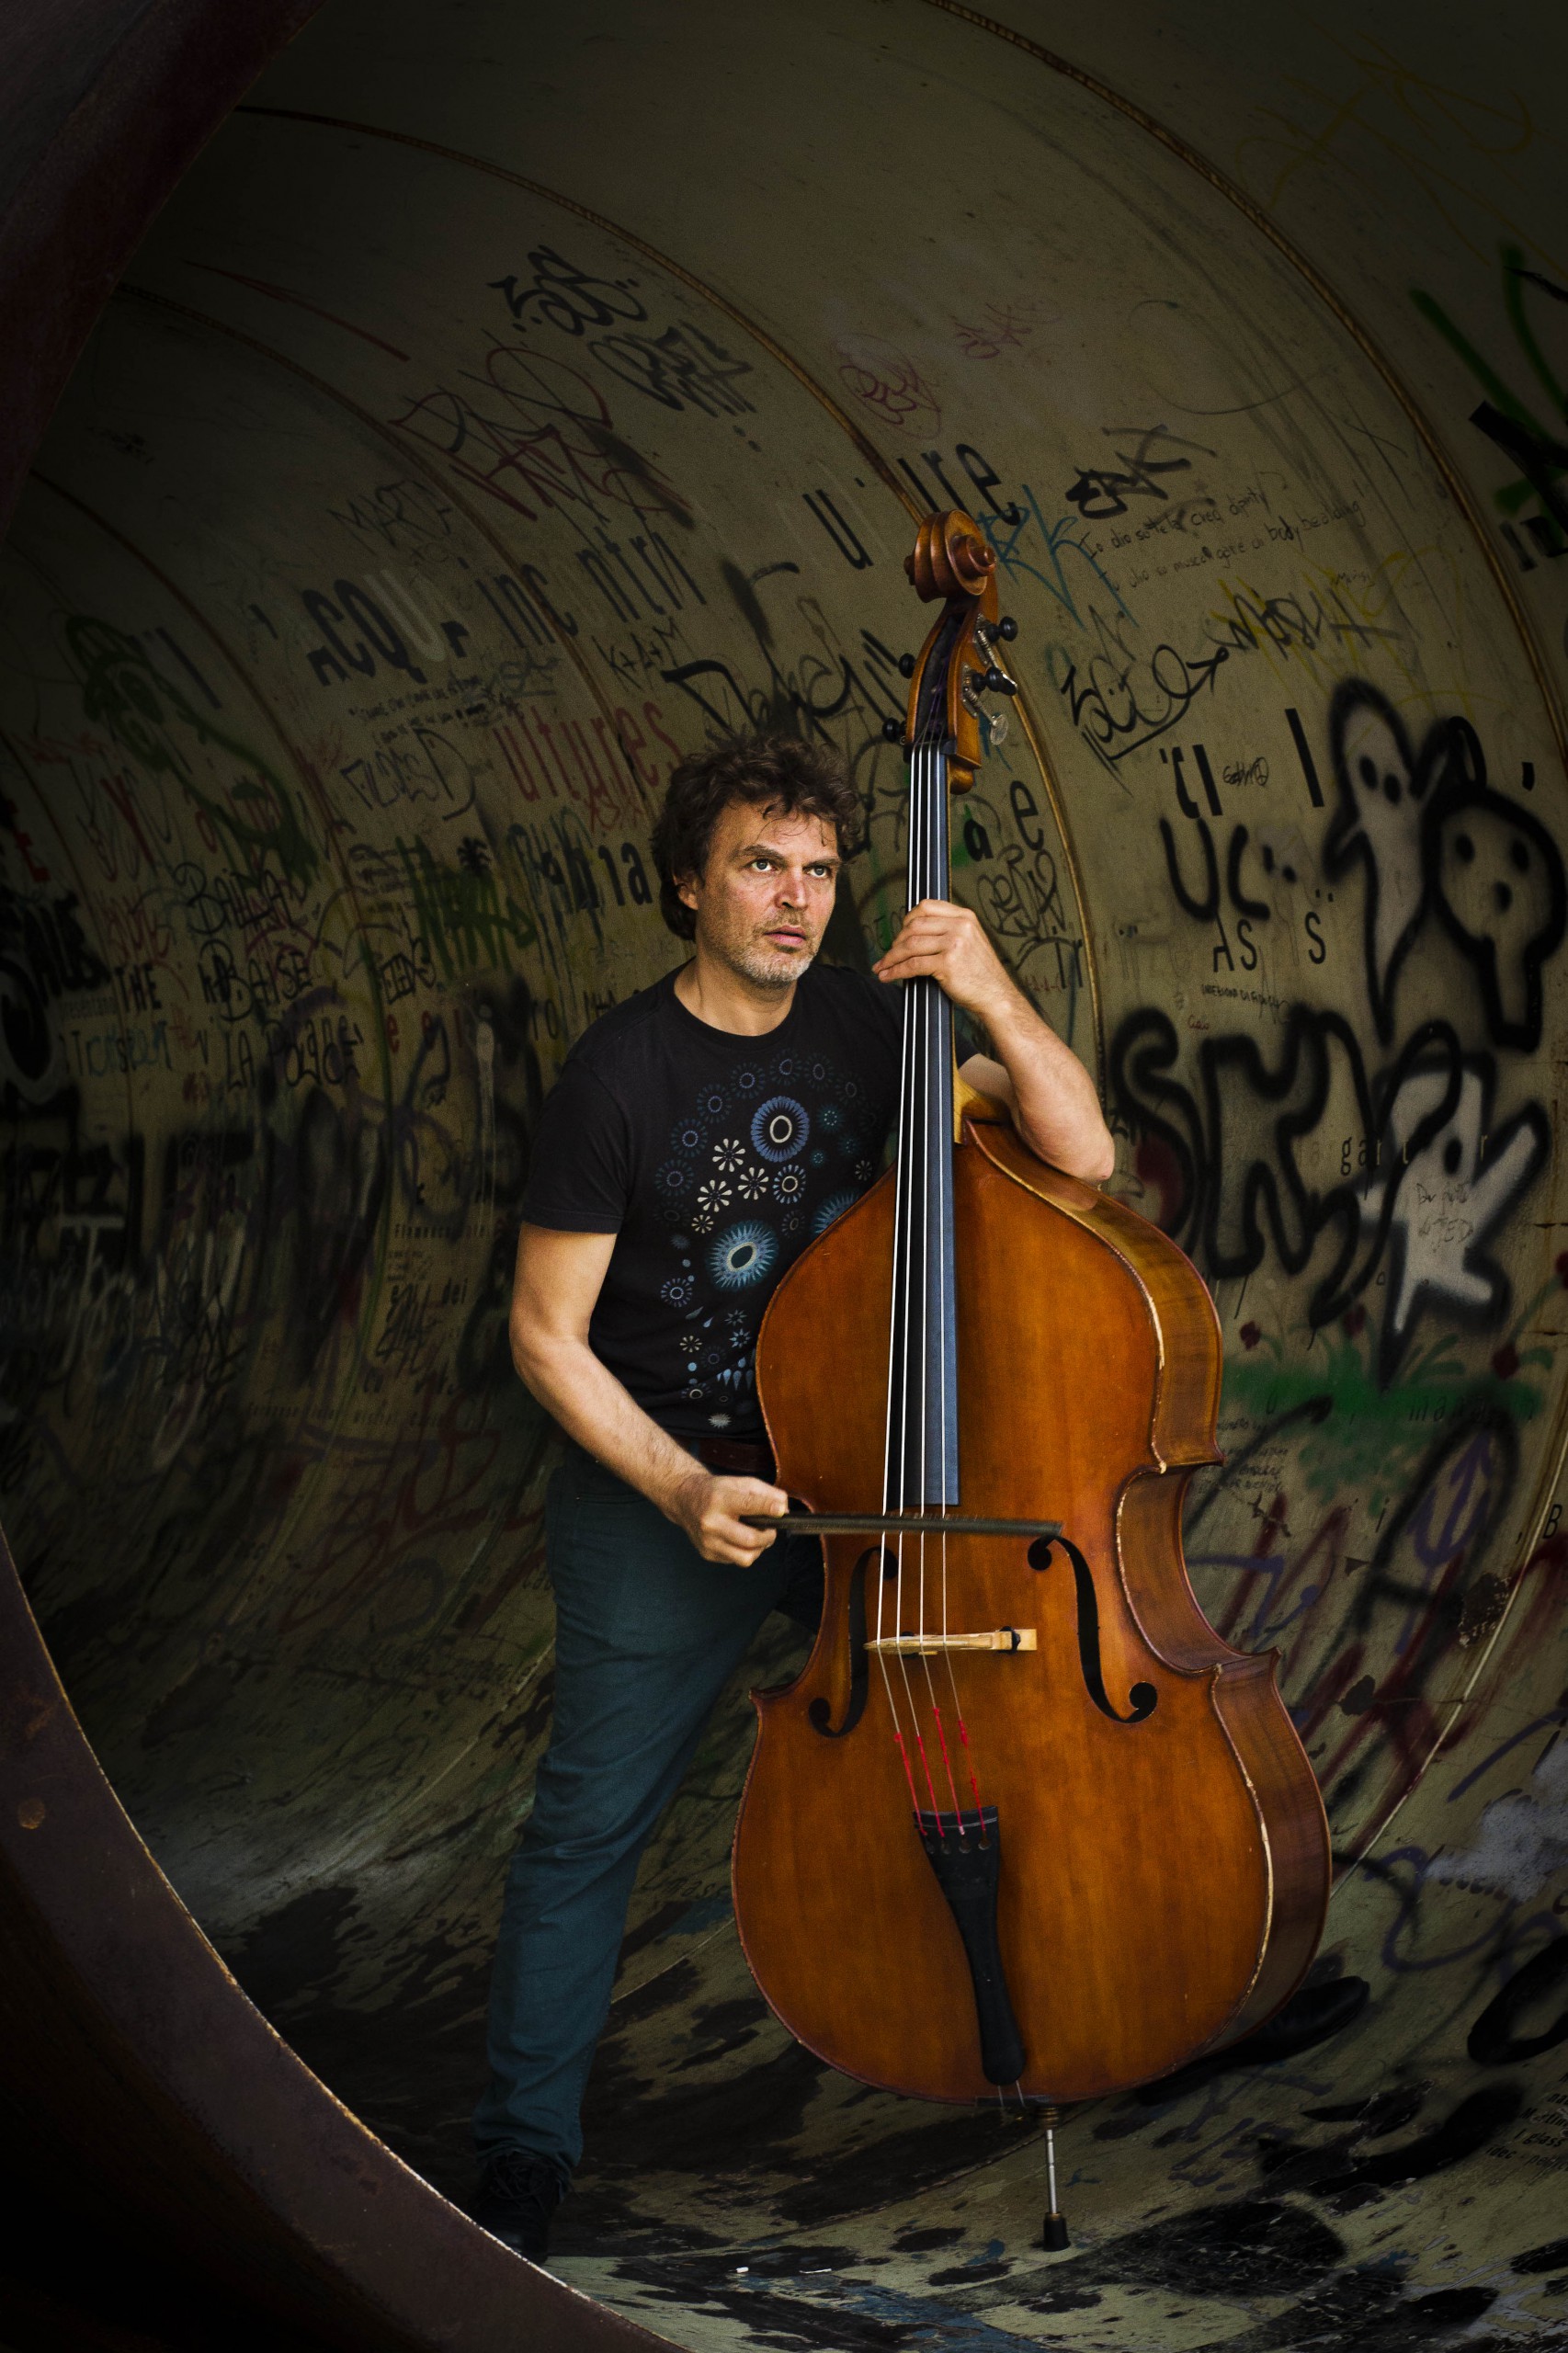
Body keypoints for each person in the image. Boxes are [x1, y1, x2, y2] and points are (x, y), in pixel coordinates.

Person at [468, 733, 1114, 2257]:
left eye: (818, 869)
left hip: (862, 1481)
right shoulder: (617, 1078)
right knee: (587, 1827)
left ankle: (1033, 2038)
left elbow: (1080, 1153)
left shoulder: (869, 1020)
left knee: (1007, 1742)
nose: (796, 898)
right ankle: (519, 2156)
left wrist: (990, 992)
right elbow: (544, 1339)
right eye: (760, 864)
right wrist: (682, 1486)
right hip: (668, 1493)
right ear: (685, 885)